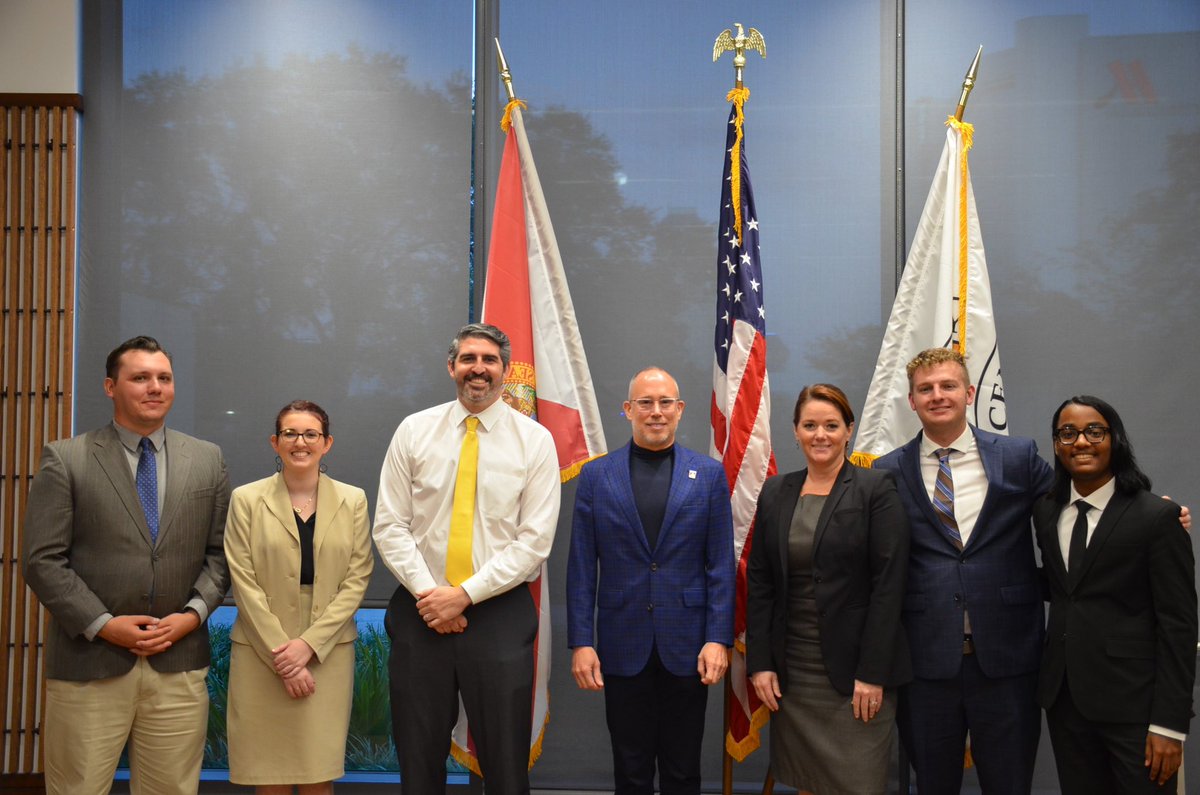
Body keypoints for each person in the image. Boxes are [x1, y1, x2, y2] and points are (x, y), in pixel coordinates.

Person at [21, 335, 231, 795]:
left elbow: (220, 556)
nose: (155, 387)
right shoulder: (67, 458)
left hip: (178, 663)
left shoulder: (207, 459)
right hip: (89, 662)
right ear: (111, 387)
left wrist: (191, 616)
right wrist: (103, 624)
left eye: (164, 378)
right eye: (140, 378)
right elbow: (42, 561)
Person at [373, 322, 561, 795]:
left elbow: (534, 542)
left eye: (489, 360)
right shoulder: (414, 431)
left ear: (504, 370)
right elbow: (389, 525)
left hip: (499, 615)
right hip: (421, 612)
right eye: (469, 359)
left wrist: (464, 595)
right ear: (452, 366)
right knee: (418, 762)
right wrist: (432, 595)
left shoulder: (534, 441)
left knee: (505, 764)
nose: (478, 369)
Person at [873, 347, 1052, 794]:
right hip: (926, 661)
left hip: (1008, 658)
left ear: (969, 392)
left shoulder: (1017, 456)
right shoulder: (885, 471)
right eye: (925, 389)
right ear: (911, 401)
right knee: (933, 784)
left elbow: (1073, 507)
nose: (937, 396)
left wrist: (1143, 509)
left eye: (948, 385)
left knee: (1010, 784)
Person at [566, 367, 734, 795]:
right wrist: (581, 641)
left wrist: (719, 638)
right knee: (631, 768)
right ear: (628, 410)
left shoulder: (709, 475)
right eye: (645, 403)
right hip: (622, 645)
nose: (655, 412)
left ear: (679, 410)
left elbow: (719, 566)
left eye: (665, 403)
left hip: (690, 645)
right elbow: (583, 566)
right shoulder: (596, 476)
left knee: (682, 769)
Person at [747, 384, 911, 795]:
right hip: (794, 671)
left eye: (831, 425)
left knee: (857, 783)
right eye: (810, 425)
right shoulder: (775, 492)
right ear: (796, 431)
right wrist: (760, 662)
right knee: (808, 782)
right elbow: (761, 582)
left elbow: (889, 586)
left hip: (856, 672)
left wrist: (872, 672)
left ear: (849, 430)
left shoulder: (876, 488)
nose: (820, 435)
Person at [1033, 396, 1196, 794]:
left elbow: (1178, 625)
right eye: (1068, 433)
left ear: (1114, 439)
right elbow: (1065, 588)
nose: (1082, 442)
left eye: (1095, 431)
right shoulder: (1047, 510)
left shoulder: (1156, 517)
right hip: (1065, 700)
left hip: (1136, 708)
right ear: (1056, 445)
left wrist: (1169, 725)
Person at [224, 400, 373, 794]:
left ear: (327, 443)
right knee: (268, 776)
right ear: (275, 442)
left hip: (327, 651)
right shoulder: (245, 499)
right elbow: (243, 581)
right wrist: (284, 656)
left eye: (311, 434)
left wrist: (307, 646)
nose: (300, 442)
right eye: (290, 433)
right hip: (261, 650)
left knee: (316, 775)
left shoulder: (353, 500)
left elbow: (357, 579)